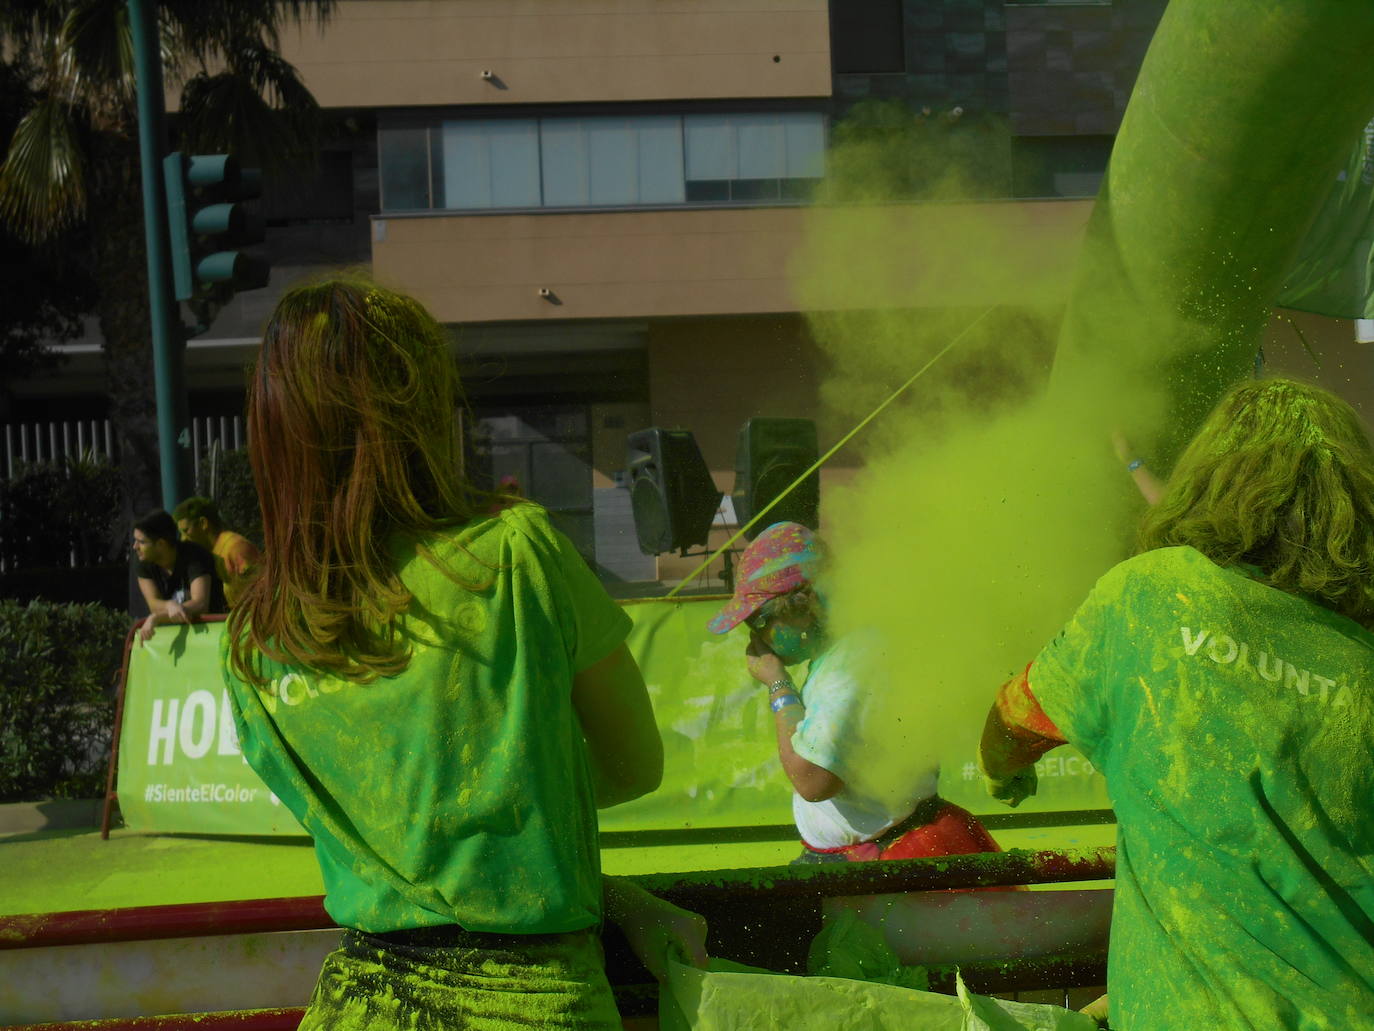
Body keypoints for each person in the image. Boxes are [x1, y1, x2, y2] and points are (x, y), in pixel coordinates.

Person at [220, 277, 706, 1030]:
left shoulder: (254, 639)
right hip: (530, 1002)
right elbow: (633, 763)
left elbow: (370, 828)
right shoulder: (516, 552)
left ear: (273, 429)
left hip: (356, 1002)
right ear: (419, 408)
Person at [980, 377, 1374, 1029]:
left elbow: (1013, 720)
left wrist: (1003, 768)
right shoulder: (1361, 661)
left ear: (1208, 482)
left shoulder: (1149, 599)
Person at [709, 521, 1004, 865]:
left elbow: (814, 781)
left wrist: (778, 684)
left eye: (759, 620)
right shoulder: (853, 647)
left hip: (884, 861)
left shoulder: (851, 665)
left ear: (803, 606)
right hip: (883, 847)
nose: (756, 636)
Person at [132, 509, 225, 641]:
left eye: (141, 542)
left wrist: (158, 617)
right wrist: (169, 605)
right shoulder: (143, 561)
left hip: (213, 633)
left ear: (161, 544)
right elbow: (153, 604)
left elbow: (200, 604)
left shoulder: (195, 556)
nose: (135, 546)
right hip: (178, 635)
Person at [173, 496, 261, 608]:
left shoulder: (236, 548)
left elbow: (261, 593)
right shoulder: (207, 554)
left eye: (186, 531)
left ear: (203, 523)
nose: (183, 539)